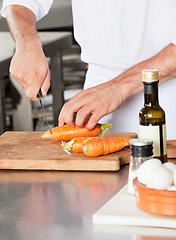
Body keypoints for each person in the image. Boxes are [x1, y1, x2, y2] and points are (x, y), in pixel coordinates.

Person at [1, 0, 176, 139]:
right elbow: (21, 2)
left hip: (168, 95)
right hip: (97, 94)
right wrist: (26, 42)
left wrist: (119, 87)